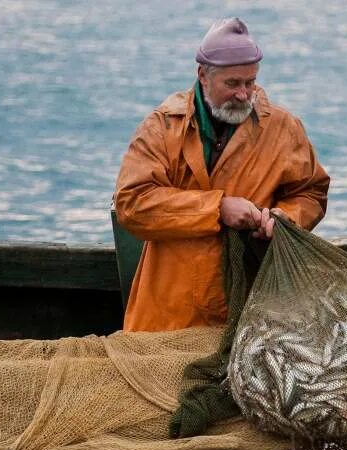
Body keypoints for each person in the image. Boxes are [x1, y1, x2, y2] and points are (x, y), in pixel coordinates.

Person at [114, 18, 330, 331]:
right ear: (203, 76)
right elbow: (132, 204)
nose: (244, 94)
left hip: (250, 311)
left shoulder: (283, 128)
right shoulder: (161, 128)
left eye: (250, 83)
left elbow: (311, 192)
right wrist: (217, 209)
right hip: (167, 315)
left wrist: (284, 218)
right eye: (232, 84)